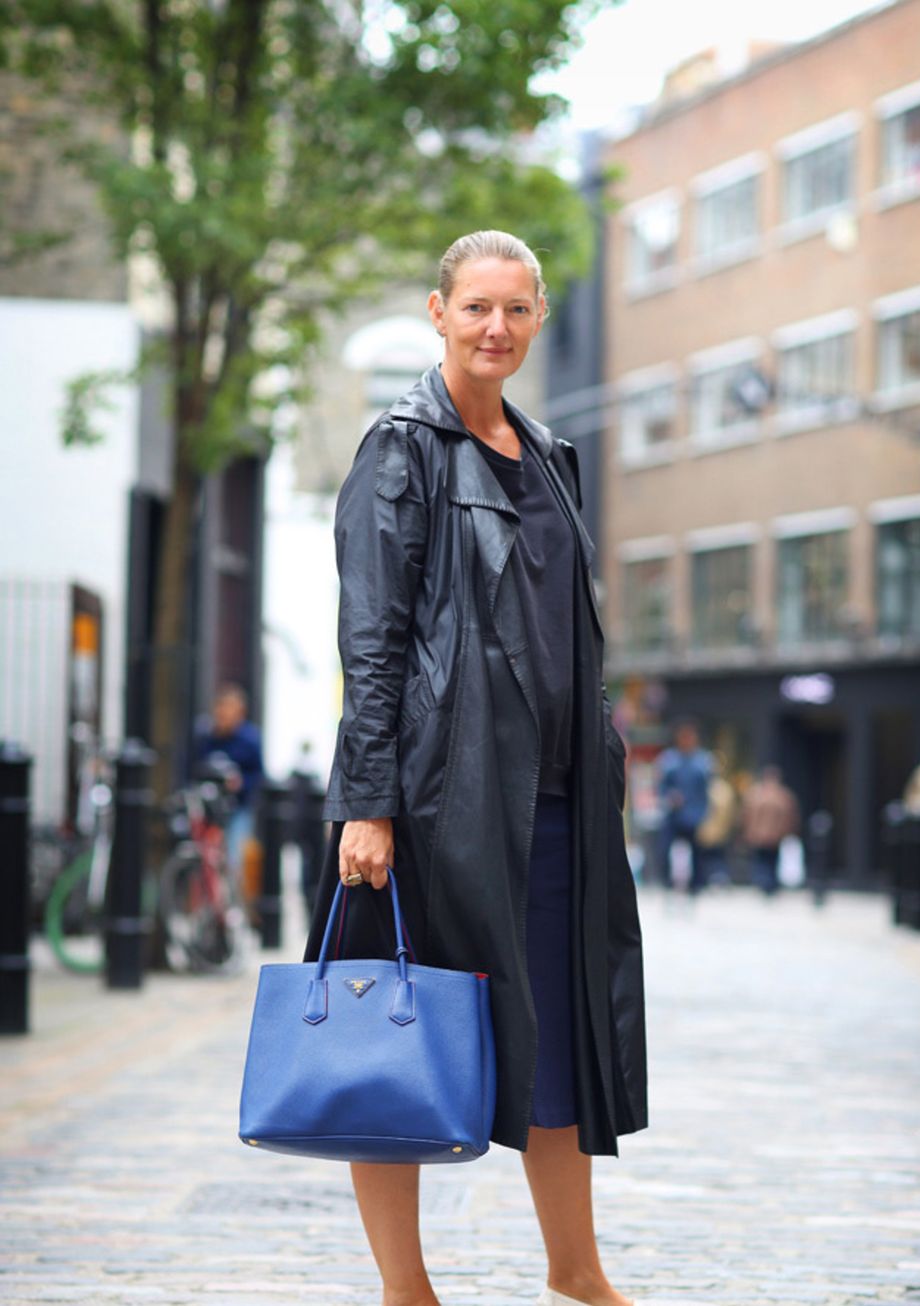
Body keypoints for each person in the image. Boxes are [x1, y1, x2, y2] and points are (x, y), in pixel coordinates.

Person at [304, 231, 647, 1306]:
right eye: (474, 309)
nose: (494, 327)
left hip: (551, 807)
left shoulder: (548, 452)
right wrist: (368, 805)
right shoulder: (400, 448)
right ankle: (407, 1288)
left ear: (538, 318)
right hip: (434, 804)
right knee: (395, 1038)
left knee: (562, 1040)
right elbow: (374, 640)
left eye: (514, 309)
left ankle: (574, 1269)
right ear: (437, 313)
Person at [195, 683, 264, 879]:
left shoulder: (249, 740)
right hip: (209, 806)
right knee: (204, 855)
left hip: (238, 807)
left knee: (234, 856)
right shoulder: (207, 737)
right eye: (220, 709)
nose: (223, 714)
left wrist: (242, 782)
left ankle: (233, 902)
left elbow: (259, 775)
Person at [657, 721, 712, 894]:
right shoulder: (669, 759)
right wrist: (669, 797)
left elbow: (706, 789)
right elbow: (661, 787)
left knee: (697, 853)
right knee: (665, 849)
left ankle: (696, 886)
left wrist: (705, 812)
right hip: (673, 814)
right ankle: (667, 883)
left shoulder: (702, 761)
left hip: (694, 814)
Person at [741, 765, 799, 896]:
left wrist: (749, 831)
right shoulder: (783, 796)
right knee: (771, 861)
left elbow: (748, 815)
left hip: (761, 835)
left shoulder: (756, 794)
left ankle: (764, 883)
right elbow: (791, 818)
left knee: (763, 860)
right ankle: (768, 884)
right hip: (774, 836)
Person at [696, 752, 737, 887]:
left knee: (714, 859)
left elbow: (727, 812)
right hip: (710, 830)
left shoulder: (718, 788)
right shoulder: (715, 787)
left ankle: (715, 880)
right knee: (709, 860)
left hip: (713, 830)